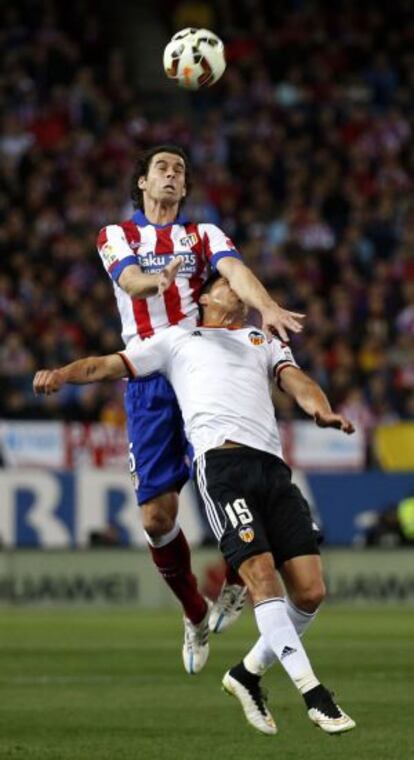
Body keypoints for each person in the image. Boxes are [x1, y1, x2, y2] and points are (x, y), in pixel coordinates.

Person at [33, 274, 356, 736]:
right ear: (203, 296)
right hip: (222, 467)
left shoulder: (259, 337)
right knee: (263, 580)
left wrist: (320, 408)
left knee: (309, 592)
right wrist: (62, 374)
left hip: (273, 470)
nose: (242, 293)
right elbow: (107, 365)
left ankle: (246, 675)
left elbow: (296, 379)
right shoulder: (177, 340)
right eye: (230, 284)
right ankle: (314, 694)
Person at [95, 144, 305, 673]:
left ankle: (239, 582)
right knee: (155, 516)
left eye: (180, 170)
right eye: (161, 168)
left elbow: (234, 270)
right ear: (142, 182)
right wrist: (156, 281)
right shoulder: (116, 235)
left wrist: (268, 305)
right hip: (150, 379)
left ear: (185, 188)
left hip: (206, 371)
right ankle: (194, 612)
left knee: (240, 473)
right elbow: (127, 280)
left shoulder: (203, 234)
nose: (171, 174)